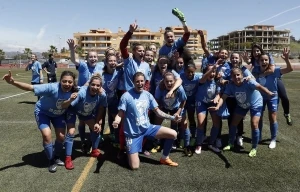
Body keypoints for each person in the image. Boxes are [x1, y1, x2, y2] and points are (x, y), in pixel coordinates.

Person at [2, 70, 77, 172]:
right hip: (43, 112)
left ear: (73, 83)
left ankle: (57, 156)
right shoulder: (52, 87)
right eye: (64, 81)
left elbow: (88, 89)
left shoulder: (75, 91)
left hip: (58, 115)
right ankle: (51, 161)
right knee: (47, 135)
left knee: (61, 137)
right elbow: (30, 87)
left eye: (70, 82)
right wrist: (12, 82)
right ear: (60, 81)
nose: (67, 84)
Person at [112, 72, 181, 169]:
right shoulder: (126, 96)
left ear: (145, 82)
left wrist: (173, 118)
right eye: (137, 81)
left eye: (142, 81)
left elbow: (158, 112)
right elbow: (120, 114)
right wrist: (116, 121)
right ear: (133, 82)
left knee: (173, 133)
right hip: (133, 134)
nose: (140, 83)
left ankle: (164, 158)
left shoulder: (148, 95)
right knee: (134, 167)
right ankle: (128, 150)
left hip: (147, 128)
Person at [209, 68, 275, 157]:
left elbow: (259, 86)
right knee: (233, 123)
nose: (236, 77)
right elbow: (223, 97)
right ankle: (231, 143)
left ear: (242, 75)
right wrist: (217, 106)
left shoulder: (248, 82)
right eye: (234, 75)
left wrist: (268, 93)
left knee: (254, 124)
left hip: (255, 103)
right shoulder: (230, 85)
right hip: (242, 105)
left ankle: (254, 148)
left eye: (238, 75)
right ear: (231, 77)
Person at [62, 74, 107, 169]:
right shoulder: (82, 92)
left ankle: (94, 150)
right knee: (71, 132)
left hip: (86, 112)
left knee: (96, 129)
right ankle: (68, 158)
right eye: (93, 84)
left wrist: (97, 122)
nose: (95, 87)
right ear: (89, 84)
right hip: (73, 110)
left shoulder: (102, 95)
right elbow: (69, 105)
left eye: (98, 85)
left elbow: (102, 108)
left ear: (101, 86)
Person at [242, 44, 293, 125]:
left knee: (283, 96)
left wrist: (261, 75)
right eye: (254, 51)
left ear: (261, 51)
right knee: (252, 93)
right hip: (261, 79)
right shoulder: (254, 60)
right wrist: (246, 61)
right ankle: (244, 112)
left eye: (257, 51)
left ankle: (287, 113)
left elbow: (272, 70)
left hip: (274, 77)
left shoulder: (267, 56)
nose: (256, 53)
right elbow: (250, 64)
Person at [256, 48, 293, 149]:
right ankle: (258, 137)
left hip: (272, 96)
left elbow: (289, 69)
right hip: (260, 97)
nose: (264, 62)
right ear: (258, 62)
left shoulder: (275, 70)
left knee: (272, 117)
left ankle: (273, 139)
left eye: (266, 60)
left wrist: (286, 59)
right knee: (259, 117)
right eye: (262, 60)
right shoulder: (255, 71)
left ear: (269, 61)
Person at [154, 72, 190, 156]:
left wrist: (178, 112)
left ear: (174, 81)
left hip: (177, 107)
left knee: (184, 124)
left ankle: (187, 146)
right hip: (164, 107)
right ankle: (156, 143)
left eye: (171, 81)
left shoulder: (179, 88)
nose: (169, 83)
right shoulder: (160, 88)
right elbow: (157, 101)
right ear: (164, 81)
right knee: (157, 122)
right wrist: (160, 112)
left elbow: (183, 101)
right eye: (167, 81)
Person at [195, 63, 221, 154]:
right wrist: (212, 69)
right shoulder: (202, 79)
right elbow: (204, 77)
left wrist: (216, 98)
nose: (212, 73)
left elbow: (218, 93)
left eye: (214, 71)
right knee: (201, 123)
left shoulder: (217, 81)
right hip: (201, 103)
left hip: (211, 103)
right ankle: (199, 144)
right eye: (210, 71)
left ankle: (211, 143)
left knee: (216, 123)